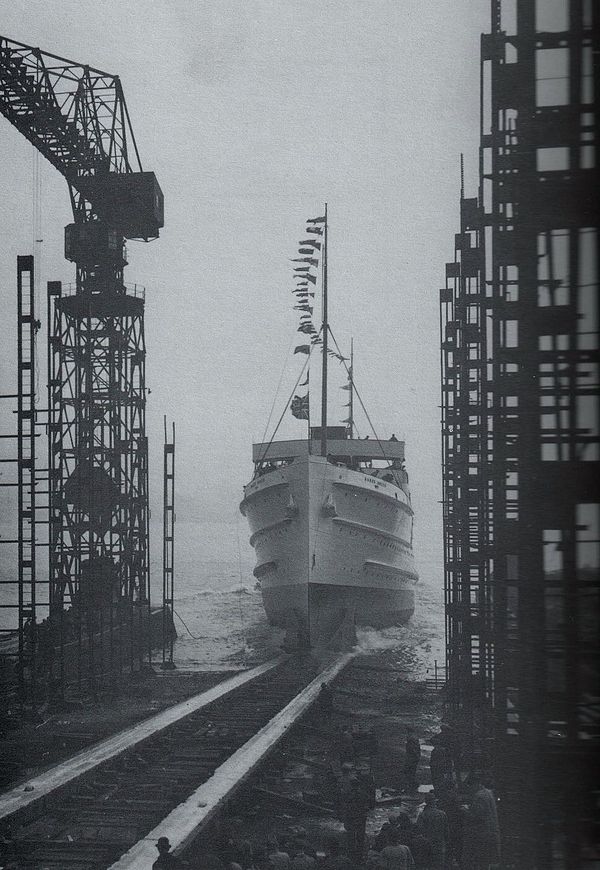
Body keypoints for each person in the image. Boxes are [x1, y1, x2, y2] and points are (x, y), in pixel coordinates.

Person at [462, 773, 500, 870]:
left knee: (481, 861)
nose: (469, 789)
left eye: (469, 786)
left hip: (483, 834)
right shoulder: (489, 792)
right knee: (486, 862)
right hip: (491, 831)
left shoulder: (479, 796)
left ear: (475, 784)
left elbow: (477, 817)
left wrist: (464, 810)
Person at [415, 792, 449, 870]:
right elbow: (446, 831)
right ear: (434, 801)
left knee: (429, 865)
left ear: (426, 802)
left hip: (427, 844)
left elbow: (418, 830)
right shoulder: (442, 814)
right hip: (440, 844)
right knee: (439, 866)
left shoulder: (423, 815)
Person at [343, 775, 371, 862]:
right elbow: (367, 807)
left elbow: (345, 807)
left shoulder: (347, 794)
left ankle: (351, 857)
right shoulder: (363, 794)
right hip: (361, 819)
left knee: (350, 838)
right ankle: (359, 856)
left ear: (351, 785)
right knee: (360, 837)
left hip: (351, 818)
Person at [403, 727, 421, 792]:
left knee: (409, 770)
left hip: (411, 757)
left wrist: (415, 755)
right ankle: (411, 783)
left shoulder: (410, 738)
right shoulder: (414, 737)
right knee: (412, 770)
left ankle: (410, 784)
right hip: (414, 757)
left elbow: (412, 749)